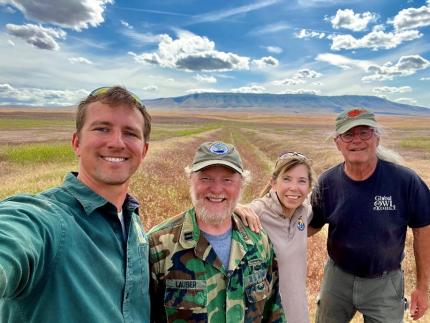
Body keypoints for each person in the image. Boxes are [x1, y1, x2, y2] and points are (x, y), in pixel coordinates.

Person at [0, 86, 152, 323]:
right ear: (76, 143)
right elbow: (13, 237)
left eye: (130, 133)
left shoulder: (133, 222)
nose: (117, 142)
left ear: (143, 151)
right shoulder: (46, 218)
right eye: (102, 129)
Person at [308, 108, 430, 322]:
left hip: (385, 283)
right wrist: (272, 221)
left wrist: (422, 288)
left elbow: (424, 230)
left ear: (377, 139)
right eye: (348, 135)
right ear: (338, 142)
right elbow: (311, 225)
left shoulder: (405, 181)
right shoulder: (327, 182)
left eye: (364, 133)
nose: (357, 140)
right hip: (337, 280)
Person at [148, 141, 285, 323]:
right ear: (191, 180)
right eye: (206, 178)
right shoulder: (158, 244)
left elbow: (273, 314)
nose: (216, 189)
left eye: (227, 180)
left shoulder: (259, 242)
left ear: (241, 184)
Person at [237, 151, 316, 323]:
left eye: (301, 181)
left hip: (297, 311)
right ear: (273, 182)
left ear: (309, 186)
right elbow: (219, 218)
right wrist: (234, 208)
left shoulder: (305, 211)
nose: (294, 187)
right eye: (287, 179)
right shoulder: (258, 212)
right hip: (267, 313)